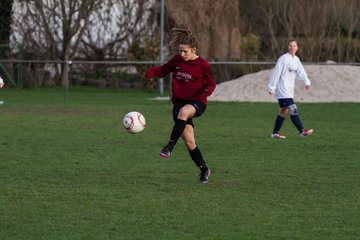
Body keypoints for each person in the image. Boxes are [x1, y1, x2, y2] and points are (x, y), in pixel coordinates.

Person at [145, 28, 216, 183]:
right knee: (190, 143)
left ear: (194, 49)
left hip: (197, 102)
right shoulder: (177, 61)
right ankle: (204, 170)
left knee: (184, 112)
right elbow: (164, 70)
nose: (182, 55)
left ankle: (169, 146)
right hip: (178, 104)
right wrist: (153, 71)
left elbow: (211, 84)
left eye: (185, 52)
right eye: (180, 51)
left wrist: (205, 93)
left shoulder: (202, 64)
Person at [268, 39, 313, 139]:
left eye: (294, 46)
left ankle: (275, 133)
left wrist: (306, 81)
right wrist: (272, 87)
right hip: (282, 90)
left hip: (289, 91)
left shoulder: (296, 60)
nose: (292, 47)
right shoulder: (283, 59)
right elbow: (276, 73)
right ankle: (302, 131)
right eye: (290, 46)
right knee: (293, 109)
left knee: (284, 111)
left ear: (297, 48)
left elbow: (301, 72)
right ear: (288, 47)